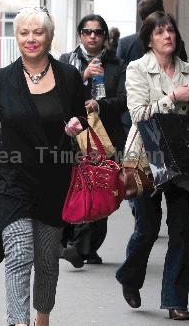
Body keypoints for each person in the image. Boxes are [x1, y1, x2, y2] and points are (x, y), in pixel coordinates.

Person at [0, 7, 87, 326]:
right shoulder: (0, 80)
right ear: (16, 37)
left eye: (38, 32)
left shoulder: (68, 77)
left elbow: (84, 120)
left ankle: (41, 318)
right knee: (20, 253)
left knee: (48, 260)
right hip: (12, 180)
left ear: (49, 37)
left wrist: (78, 127)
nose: (31, 39)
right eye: (24, 32)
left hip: (55, 180)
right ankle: (17, 321)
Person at [115, 11, 189, 321]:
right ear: (149, 39)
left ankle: (176, 301)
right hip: (144, 157)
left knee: (181, 232)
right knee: (147, 229)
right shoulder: (137, 69)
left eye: (171, 31)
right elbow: (138, 114)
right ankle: (130, 276)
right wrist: (171, 98)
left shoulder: (188, 70)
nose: (168, 36)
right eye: (160, 32)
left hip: (180, 159)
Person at [59, 14, 127, 268]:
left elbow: (124, 99)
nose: (92, 36)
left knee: (100, 189)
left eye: (98, 32)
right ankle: (76, 243)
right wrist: (83, 76)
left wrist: (99, 104)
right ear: (80, 35)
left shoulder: (117, 65)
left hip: (105, 138)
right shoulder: (67, 62)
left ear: (105, 37)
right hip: (74, 137)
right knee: (74, 188)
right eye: (87, 32)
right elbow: (58, 95)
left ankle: (87, 246)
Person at [117, 0, 188, 135]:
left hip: (136, 113)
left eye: (170, 30)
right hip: (151, 117)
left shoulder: (126, 43)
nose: (167, 36)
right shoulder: (176, 43)